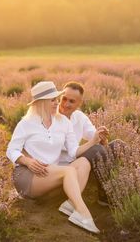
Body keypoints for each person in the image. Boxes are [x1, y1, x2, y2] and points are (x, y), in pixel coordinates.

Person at [6, 81, 107, 234]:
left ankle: (70, 205)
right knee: (68, 171)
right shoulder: (26, 123)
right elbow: (11, 150)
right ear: (41, 103)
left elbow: (73, 152)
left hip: (50, 172)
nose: (57, 103)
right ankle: (83, 214)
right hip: (27, 175)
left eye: (56, 98)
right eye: (53, 99)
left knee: (83, 163)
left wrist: (94, 141)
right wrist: (27, 161)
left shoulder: (63, 122)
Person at [58, 81, 124, 206]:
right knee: (96, 150)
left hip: (77, 160)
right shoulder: (52, 117)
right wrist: (95, 142)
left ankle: (127, 185)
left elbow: (93, 134)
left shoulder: (79, 116)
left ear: (79, 103)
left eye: (71, 101)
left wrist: (101, 136)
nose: (66, 104)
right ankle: (104, 194)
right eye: (64, 99)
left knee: (118, 145)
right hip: (61, 166)